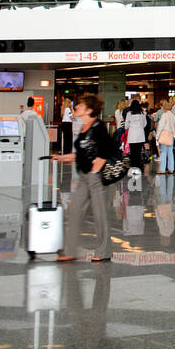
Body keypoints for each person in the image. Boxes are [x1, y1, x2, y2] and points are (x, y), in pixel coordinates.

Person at [54, 94, 116, 262]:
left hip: (95, 179)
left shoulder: (97, 127)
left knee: (99, 214)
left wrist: (96, 169)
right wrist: (62, 157)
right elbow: (82, 154)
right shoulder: (83, 128)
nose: (76, 108)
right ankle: (70, 250)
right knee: (74, 211)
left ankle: (104, 251)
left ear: (89, 110)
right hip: (83, 177)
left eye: (79, 106)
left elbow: (107, 149)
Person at [125, 99, 148, 171]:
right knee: (138, 152)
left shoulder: (129, 114)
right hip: (140, 135)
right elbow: (145, 124)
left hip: (132, 135)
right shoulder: (142, 114)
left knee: (133, 152)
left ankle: (133, 166)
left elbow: (126, 126)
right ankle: (139, 166)